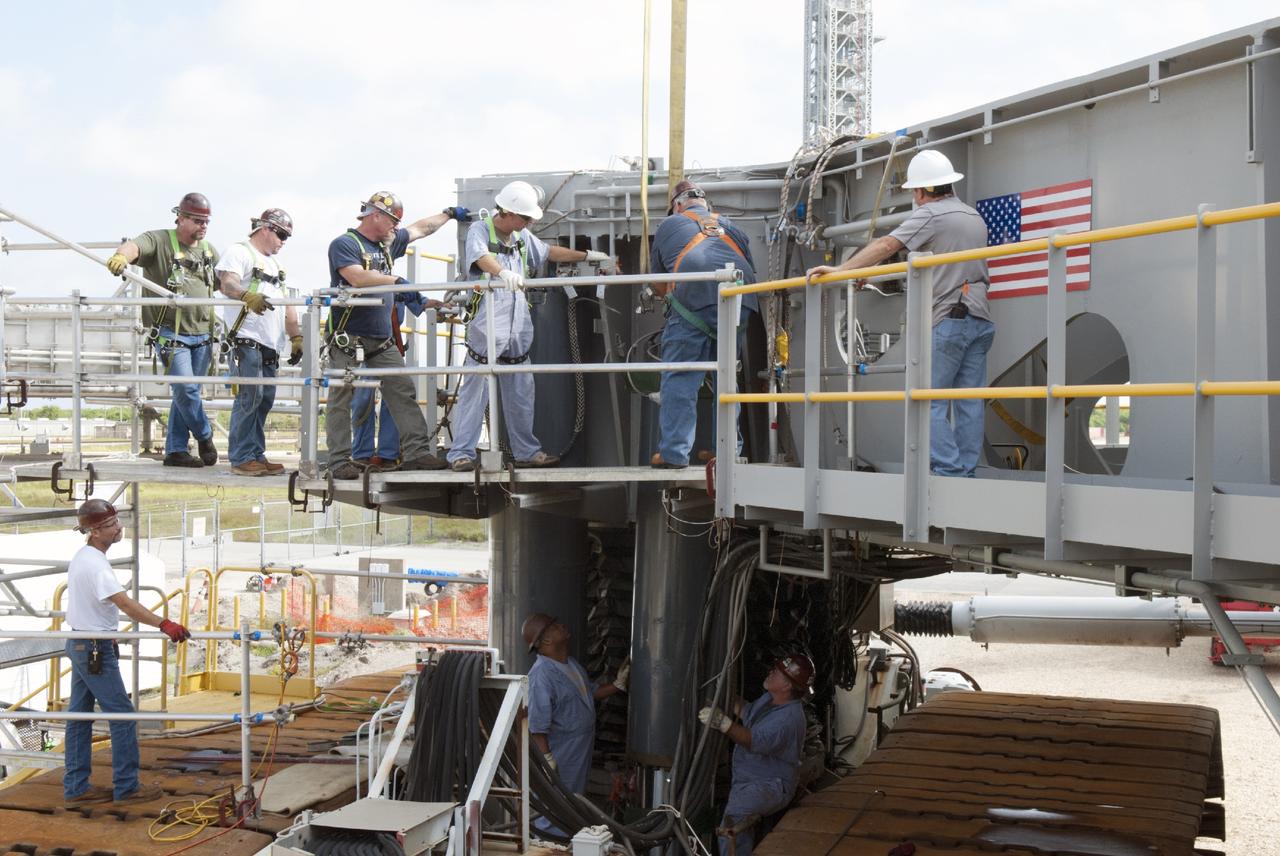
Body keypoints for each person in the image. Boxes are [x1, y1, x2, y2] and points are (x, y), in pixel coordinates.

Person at [806, 149, 993, 476]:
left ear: (922, 191)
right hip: (979, 319)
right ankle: (966, 472)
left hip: (949, 319)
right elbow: (941, 262)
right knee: (969, 403)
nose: (916, 200)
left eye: (915, 194)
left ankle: (950, 472)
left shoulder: (930, 214)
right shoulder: (972, 216)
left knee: (926, 401)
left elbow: (886, 246)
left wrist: (841, 271)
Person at [446, 181, 607, 472]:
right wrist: (502, 270)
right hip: (489, 320)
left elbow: (548, 253)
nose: (529, 222)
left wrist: (587, 256)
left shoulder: (521, 237)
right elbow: (481, 257)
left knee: (520, 387)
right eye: (525, 217)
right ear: (507, 212)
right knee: (476, 386)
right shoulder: (480, 230)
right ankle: (461, 453)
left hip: (517, 321)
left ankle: (525, 451)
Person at [325, 193, 469, 480]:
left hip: (381, 339)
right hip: (348, 336)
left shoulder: (387, 244)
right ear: (374, 215)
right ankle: (339, 460)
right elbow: (357, 278)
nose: (396, 227)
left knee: (402, 390)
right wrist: (398, 282)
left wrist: (449, 213)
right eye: (392, 220)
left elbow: (421, 228)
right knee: (342, 396)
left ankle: (416, 453)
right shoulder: (345, 244)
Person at [63, 499, 191, 807]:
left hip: (84, 641)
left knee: (79, 718)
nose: (118, 527)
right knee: (123, 716)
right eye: (110, 524)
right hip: (93, 648)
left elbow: (95, 607)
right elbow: (124, 603)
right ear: (94, 531)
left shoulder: (85, 557)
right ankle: (127, 786)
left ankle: (77, 788)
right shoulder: (95, 565)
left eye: (117, 521)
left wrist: (109, 633)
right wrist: (164, 623)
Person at [648, 180, 759, 469]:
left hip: (694, 298)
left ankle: (673, 453)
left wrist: (672, 303)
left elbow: (658, 283)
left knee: (681, 377)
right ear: (705, 204)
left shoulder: (669, 224)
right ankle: (728, 450)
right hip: (740, 299)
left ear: (677, 205)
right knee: (726, 377)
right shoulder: (732, 226)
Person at [107, 193, 221, 468]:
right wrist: (121, 257)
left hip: (204, 334)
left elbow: (220, 281)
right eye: (196, 220)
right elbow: (133, 247)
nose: (203, 226)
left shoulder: (209, 251)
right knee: (185, 389)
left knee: (186, 394)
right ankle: (205, 435)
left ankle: (176, 451)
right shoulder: (158, 241)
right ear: (180, 217)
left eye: (206, 221)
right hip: (171, 333)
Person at [522, 612, 629, 835]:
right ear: (547, 640)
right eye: (554, 626)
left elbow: (590, 692)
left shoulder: (570, 664)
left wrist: (617, 685)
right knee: (554, 803)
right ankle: (547, 844)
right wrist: (547, 758)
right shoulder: (541, 675)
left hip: (577, 750)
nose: (561, 625)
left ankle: (564, 841)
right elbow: (537, 724)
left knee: (570, 802)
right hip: (561, 752)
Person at [215, 208, 301, 476]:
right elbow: (227, 283)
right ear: (265, 228)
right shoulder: (240, 252)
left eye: (287, 236)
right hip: (245, 339)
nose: (283, 241)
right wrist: (245, 295)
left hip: (269, 344)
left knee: (264, 400)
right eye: (281, 234)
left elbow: (287, 303)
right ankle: (241, 457)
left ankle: (255, 453)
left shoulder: (276, 265)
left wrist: (295, 336)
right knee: (249, 397)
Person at [700, 654, 812, 856]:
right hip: (751, 778)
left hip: (772, 784)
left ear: (787, 686)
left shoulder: (788, 719)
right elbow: (749, 712)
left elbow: (753, 740)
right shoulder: (771, 700)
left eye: (777, 672)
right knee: (735, 810)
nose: (771, 672)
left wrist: (723, 723)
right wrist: (727, 696)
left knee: (733, 818)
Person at [350, 291, 432, 470]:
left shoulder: (394, 284)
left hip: (388, 345)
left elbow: (411, 296)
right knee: (362, 400)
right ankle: (362, 454)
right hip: (363, 343)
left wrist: (428, 304)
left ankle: (388, 455)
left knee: (394, 401)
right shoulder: (363, 277)